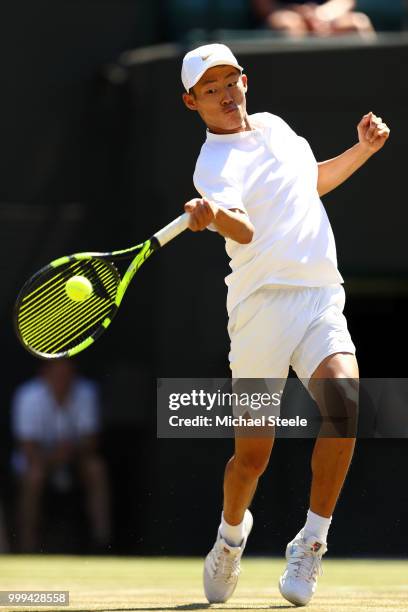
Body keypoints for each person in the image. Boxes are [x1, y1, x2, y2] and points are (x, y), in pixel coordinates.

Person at [181, 43, 389, 606]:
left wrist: (362, 149)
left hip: (318, 295)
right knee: (253, 456)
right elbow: (244, 231)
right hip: (259, 310)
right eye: (210, 89)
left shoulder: (275, 127)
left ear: (245, 82)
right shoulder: (212, 165)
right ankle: (229, 538)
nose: (225, 94)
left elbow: (310, 183)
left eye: (231, 82)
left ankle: (312, 543)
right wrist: (213, 216)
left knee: (346, 403)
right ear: (191, 102)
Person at [11, 359, 111, 553]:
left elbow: (91, 442)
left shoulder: (86, 392)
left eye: (67, 375)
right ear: (45, 374)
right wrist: (55, 457)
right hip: (39, 462)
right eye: (57, 375)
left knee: (96, 468)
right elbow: (28, 449)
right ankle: (27, 547)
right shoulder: (27, 396)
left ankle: (102, 543)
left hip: (74, 460)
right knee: (34, 475)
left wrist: (70, 452)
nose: (63, 380)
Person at [252, 0, 375, 38]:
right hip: (285, 14)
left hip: (328, 18)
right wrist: (300, 14)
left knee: (358, 24)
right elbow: (263, 6)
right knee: (286, 26)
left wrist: (322, 15)